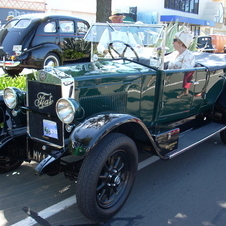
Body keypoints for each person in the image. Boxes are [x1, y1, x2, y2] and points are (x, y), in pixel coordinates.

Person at [167, 28, 196, 98]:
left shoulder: (188, 55)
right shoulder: (175, 53)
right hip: (169, 81)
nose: (172, 43)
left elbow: (186, 73)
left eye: (174, 40)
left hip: (176, 84)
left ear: (181, 43)